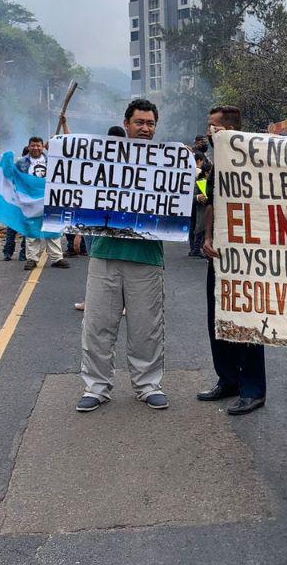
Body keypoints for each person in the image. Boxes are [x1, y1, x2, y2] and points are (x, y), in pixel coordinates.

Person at [76, 99, 169, 412]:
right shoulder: (102, 160)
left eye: (150, 123)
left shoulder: (167, 163)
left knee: (146, 327)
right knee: (97, 325)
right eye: (139, 122)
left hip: (147, 257)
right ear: (126, 124)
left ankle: (148, 385)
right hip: (105, 254)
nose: (145, 128)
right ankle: (96, 387)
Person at [200, 104, 267, 415]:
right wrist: (208, 237)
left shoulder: (255, 161)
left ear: (229, 130)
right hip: (219, 256)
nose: (208, 132)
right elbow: (212, 203)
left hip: (249, 258)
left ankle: (253, 389)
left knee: (247, 321)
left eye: (213, 127)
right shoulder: (218, 164)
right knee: (217, 318)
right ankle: (228, 379)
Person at [74, 126, 127, 312]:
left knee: (116, 265)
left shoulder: (132, 163)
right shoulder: (95, 161)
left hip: (116, 223)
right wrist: (80, 231)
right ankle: (92, 301)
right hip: (94, 222)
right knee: (95, 263)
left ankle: (120, 303)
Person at [17, 136, 69, 270]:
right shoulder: (21, 163)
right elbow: (14, 178)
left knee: (53, 229)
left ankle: (57, 258)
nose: (35, 148)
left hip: (49, 200)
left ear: (42, 147)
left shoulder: (52, 160)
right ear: (29, 147)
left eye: (38, 145)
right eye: (33, 145)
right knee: (31, 232)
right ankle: (32, 259)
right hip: (31, 202)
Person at [189, 152, 211, 258]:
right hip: (198, 210)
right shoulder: (200, 181)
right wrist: (199, 197)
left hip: (200, 210)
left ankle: (195, 248)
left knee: (198, 229)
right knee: (198, 229)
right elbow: (192, 196)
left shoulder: (204, 180)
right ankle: (196, 249)